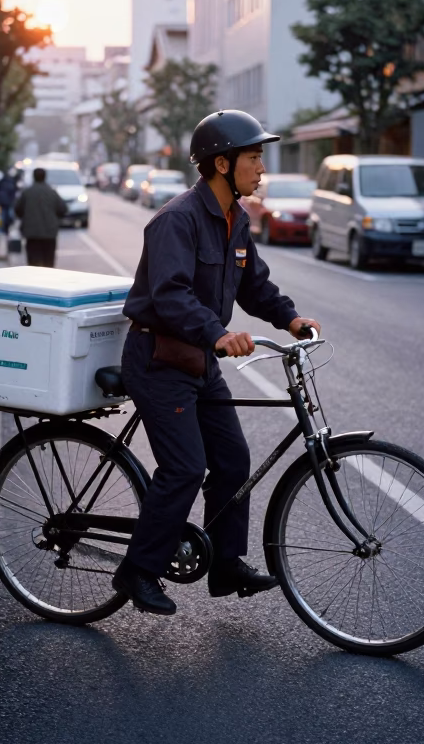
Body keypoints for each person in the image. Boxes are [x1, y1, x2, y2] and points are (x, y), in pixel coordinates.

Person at [112, 110, 321, 616]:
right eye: (253, 158)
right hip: (159, 360)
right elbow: (170, 296)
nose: (261, 167)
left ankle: (226, 563)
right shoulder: (175, 220)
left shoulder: (236, 220)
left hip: (200, 362)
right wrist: (220, 335)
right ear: (222, 164)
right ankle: (137, 571)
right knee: (186, 467)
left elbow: (254, 285)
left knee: (233, 461)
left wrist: (289, 319)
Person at [14, 167, 67, 268]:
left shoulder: (27, 193)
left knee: (33, 264)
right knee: (48, 263)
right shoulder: (52, 192)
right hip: (49, 234)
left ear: (33, 177)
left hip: (31, 233)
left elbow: (18, 210)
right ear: (45, 177)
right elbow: (63, 209)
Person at [0, 169, 18, 236]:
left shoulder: (1, 182)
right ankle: (6, 229)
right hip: (8, 202)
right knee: (8, 216)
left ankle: (1, 230)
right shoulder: (12, 182)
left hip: (1, 202)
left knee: (2, 216)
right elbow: (14, 192)